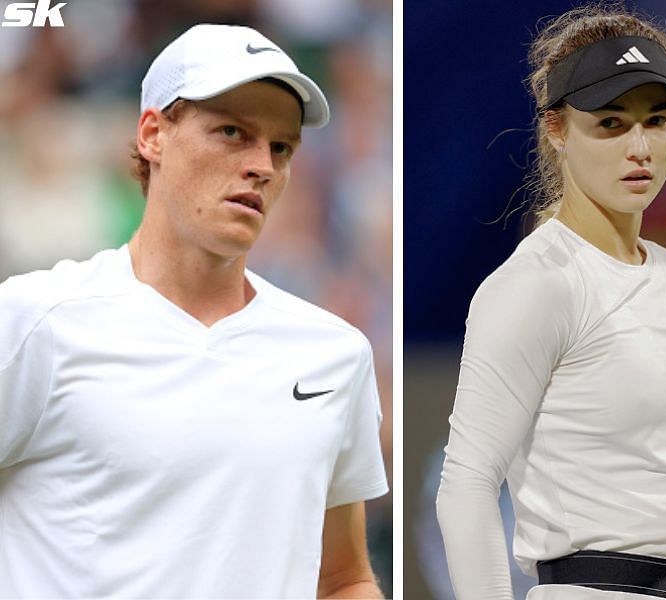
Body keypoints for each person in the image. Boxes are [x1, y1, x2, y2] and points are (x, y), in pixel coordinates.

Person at [0, 24, 388, 597]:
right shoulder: (33, 319)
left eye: (281, 148)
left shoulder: (335, 353)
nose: (262, 165)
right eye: (233, 132)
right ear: (153, 134)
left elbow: (343, 579)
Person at [435, 5, 666, 599]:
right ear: (557, 129)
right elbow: (467, 485)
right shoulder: (535, 283)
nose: (640, 147)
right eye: (610, 123)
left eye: (656, 121)